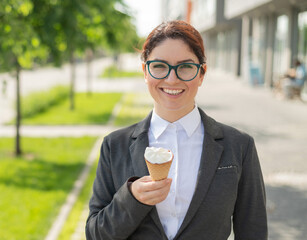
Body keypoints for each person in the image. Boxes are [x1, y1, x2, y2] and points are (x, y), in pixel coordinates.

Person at [85, 20, 267, 240]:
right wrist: (131, 198)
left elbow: (253, 231)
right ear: (145, 71)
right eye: (160, 66)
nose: (172, 78)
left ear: (201, 74)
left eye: (185, 67)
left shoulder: (238, 146)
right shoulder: (115, 146)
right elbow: (96, 234)